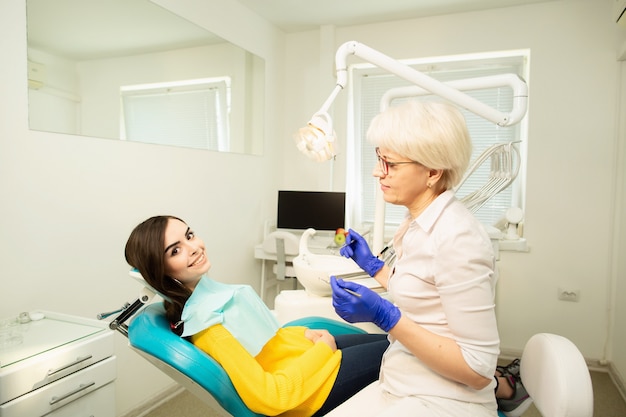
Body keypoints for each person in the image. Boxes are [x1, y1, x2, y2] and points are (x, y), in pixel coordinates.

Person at [326, 100, 531, 417]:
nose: (376, 172)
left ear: (433, 171)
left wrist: (386, 317)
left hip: (444, 400)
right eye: (378, 158)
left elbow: (478, 369)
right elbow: (424, 294)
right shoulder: (418, 223)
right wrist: (373, 266)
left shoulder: (458, 238)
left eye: (389, 163)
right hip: (405, 379)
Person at [124, 215, 390, 417]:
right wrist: (322, 349)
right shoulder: (210, 329)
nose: (193, 247)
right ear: (160, 271)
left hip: (301, 358)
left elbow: (266, 341)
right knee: (402, 354)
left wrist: (305, 335)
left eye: (190, 236)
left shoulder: (210, 298)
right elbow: (271, 395)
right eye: (175, 250)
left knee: (393, 342)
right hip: (312, 390)